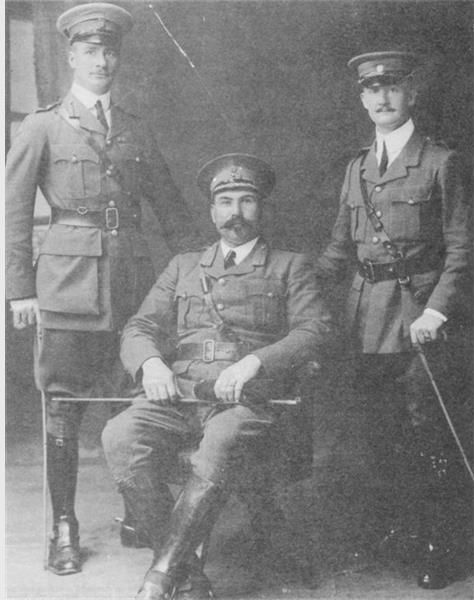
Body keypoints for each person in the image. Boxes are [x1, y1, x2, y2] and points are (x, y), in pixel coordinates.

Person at [6, 2, 201, 576]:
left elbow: (170, 208)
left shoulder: (135, 127)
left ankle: (137, 512)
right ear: (71, 57)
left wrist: (198, 273)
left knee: (133, 398)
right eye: (90, 51)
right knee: (64, 404)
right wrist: (19, 291)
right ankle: (63, 525)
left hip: (133, 283)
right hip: (66, 286)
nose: (101, 61)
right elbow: (13, 213)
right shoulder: (42, 125)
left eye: (109, 52)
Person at [102, 153, 332, 600]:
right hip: (182, 395)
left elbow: (315, 329)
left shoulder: (290, 265)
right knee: (119, 435)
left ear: (261, 208)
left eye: (246, 201)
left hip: (248, 402)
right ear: (212, 211)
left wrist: (255, 362)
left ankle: (161, 575)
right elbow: (139, 327)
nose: (235, 213)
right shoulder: (183, 266)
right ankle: (189, 574)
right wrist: (151, 364)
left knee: (223, 438)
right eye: (225, 202)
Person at [314, 51, 471, 589]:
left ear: (412, 94)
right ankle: (397, 533)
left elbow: (462, 248)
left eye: (393, 87)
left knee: (427, 430)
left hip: (419, 316)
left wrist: (437, 310)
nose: (382, 97)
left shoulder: (441, 162)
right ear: (362, 99)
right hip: (365, 317)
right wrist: (291, 284)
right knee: (378, 431)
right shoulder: (356, 168)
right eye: (372, 89)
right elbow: (339, 250)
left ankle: (439, 543)